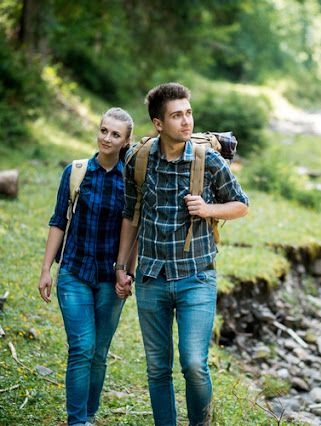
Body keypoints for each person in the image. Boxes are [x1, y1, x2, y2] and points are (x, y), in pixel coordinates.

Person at [114, 83, 249, 425]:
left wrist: (207, 209)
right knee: (158, 368)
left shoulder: (209, 160)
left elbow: (241, 205)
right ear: (158, 124)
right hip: (151, 278)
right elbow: (131, 216)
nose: (186, 121)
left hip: (197, 276)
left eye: (188, 113)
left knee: (193, 364)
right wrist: (122, 267)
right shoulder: (137, 160)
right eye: (177, 116)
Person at [38, 107, 136, 426]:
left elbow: (135, 230)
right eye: (103, 130)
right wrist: (46, 270)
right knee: (82, 347)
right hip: (74, 272)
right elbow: (58, 220)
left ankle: (89, 416)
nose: (107, 138)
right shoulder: (76, 172)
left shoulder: (131, 181)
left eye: (115, 134)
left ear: (126, 141)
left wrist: (128, 273)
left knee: (99, 352)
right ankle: (77, 421)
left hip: (110, 279)